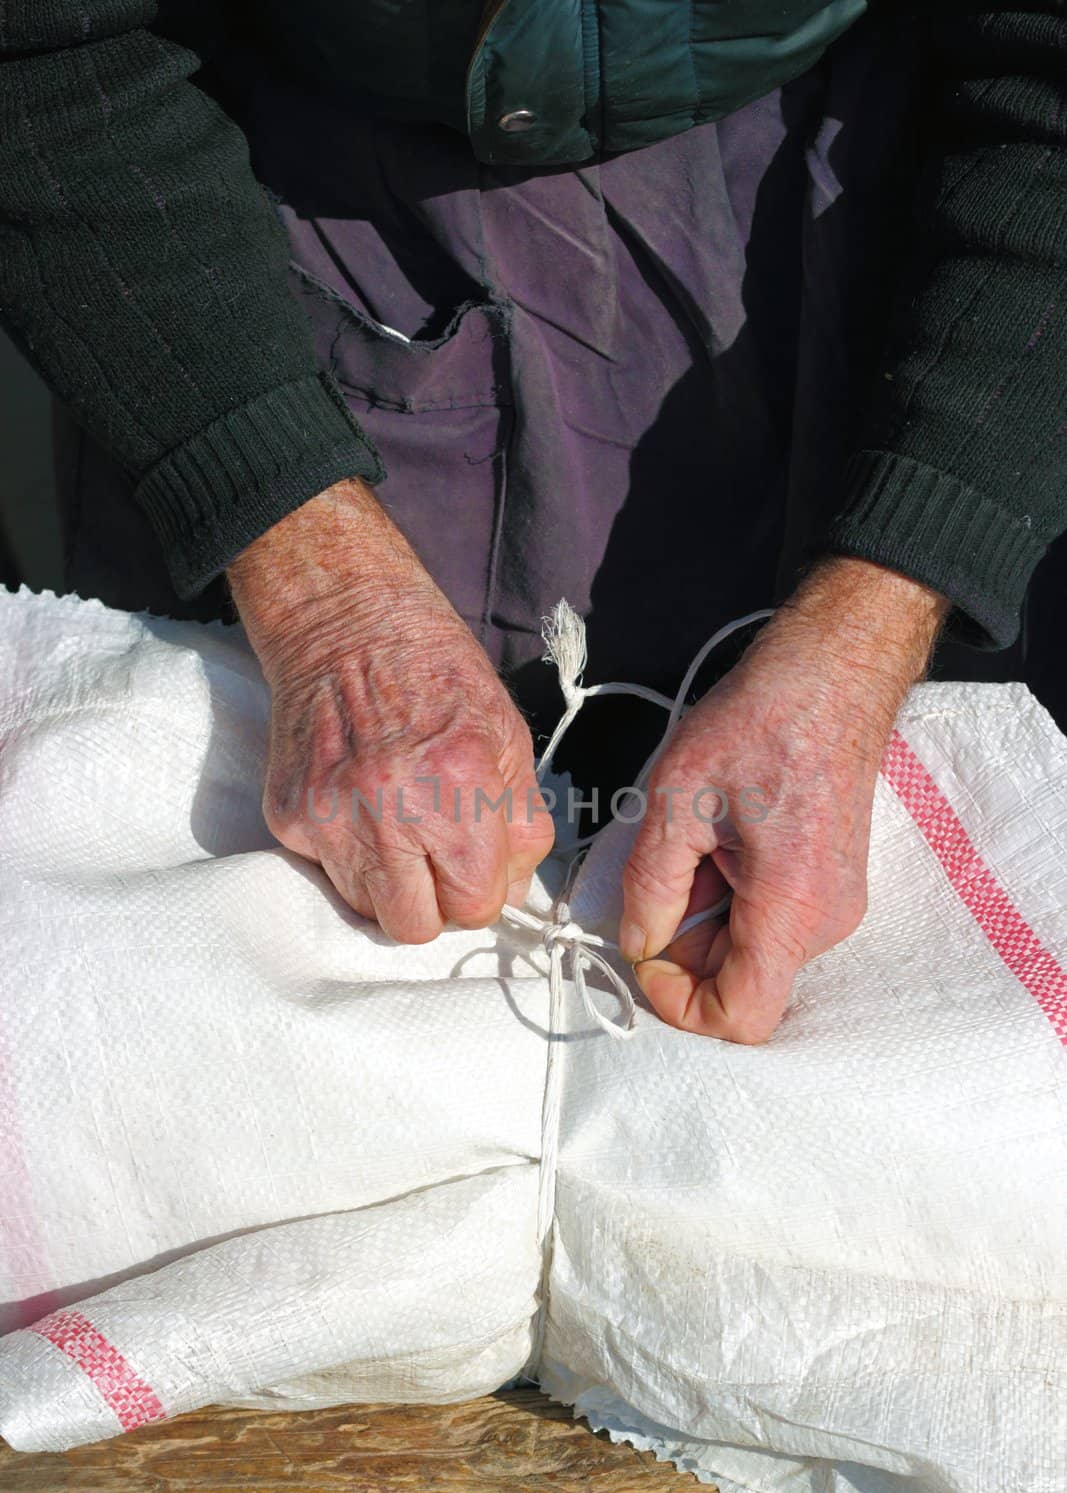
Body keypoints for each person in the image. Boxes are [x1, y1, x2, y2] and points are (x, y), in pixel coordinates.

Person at [2, 1, 1063, 1042]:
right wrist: (318, 591)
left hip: (852, 211)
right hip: (226, 226)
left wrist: (861, 635)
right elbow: (35, 48)